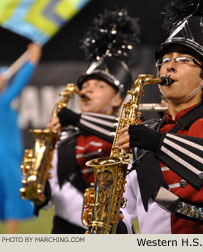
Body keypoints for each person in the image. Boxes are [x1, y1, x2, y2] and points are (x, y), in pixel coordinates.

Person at [116, 0, 203, 234]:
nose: (169, 67)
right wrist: (117, 223)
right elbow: (129, 206)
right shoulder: (145, 132)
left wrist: (160, 142)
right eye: (165, 60)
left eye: (183, 60)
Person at [34, 9, 139, 233]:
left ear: (118, 98)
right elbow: (46, 196)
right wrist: (40, 183)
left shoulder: (132, 135)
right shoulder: (64, 140)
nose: (88, 90)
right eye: (85, 86)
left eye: (100, 86)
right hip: (64, 232)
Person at [0, 43, 42, 233]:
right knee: (12, 193)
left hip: (8, 156)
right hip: (4, 157)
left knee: (9, 194)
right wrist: (32, 62)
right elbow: (18, 85)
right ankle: (10, 240)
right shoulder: (2, 100)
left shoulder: (4, 101)